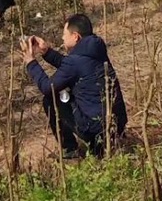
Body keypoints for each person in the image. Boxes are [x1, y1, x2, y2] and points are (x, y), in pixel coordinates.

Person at [24, 13, 129, 159]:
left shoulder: (75, 62)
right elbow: (73, 66)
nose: (62, 38)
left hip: (96, 129)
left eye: (64, 34)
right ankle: (107, 142)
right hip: (116, 125)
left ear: (75, 36)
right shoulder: (95, 49)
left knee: (51, 99)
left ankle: (71, 149)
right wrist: (46, 52)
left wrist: (31, 63)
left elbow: (47, 87)